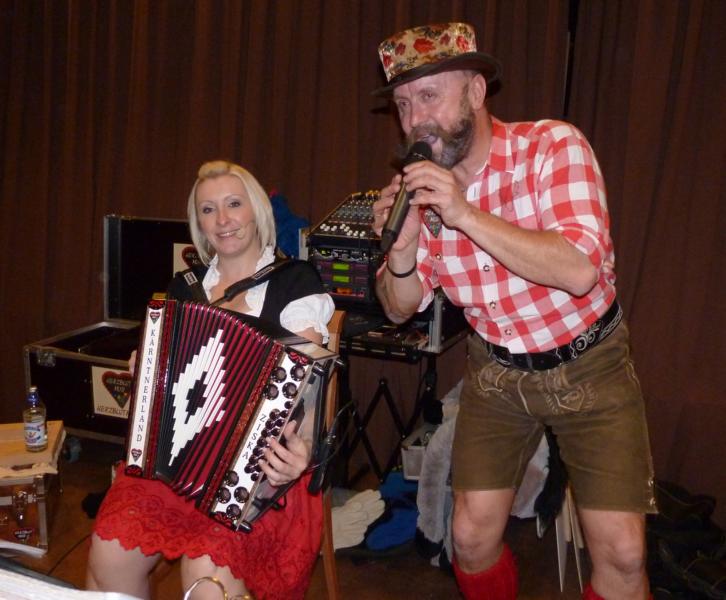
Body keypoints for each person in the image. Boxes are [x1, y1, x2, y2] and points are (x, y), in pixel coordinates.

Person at [371, 23, 655, 600]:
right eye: (403, 105)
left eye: (429, 96)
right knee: (469, 538)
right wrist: (400, 256)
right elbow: (399, 309)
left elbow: (579, 269)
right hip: (497, 374)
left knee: (624, 554)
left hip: (589, 365)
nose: (415, 120)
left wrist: (464, 213)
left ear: (476, 92)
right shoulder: (420, 192)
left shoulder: (552, 147)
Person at [86, 160, 335, 600]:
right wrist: (148, 372)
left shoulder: (296, 282)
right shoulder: (184, 287)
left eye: (234, 204)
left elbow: (309, 391)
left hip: (263, 474)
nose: (222, 220)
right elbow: (163, 393)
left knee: (206, 575)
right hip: (176, 465)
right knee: (109, 549)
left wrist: (304, 449)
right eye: (208, 209)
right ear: (198, 223)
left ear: (257, 211)